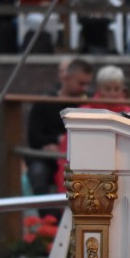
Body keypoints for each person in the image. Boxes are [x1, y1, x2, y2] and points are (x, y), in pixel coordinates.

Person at [26, 58, 93, 210]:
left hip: (80, 158)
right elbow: (34, 138)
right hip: (48, 159)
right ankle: (48, 221)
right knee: (38, 172)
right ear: (66, 78)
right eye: (81, 83)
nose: (85, 89)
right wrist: (56, 140)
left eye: (88, 84)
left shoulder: (90, 104)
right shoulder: (44, 102)